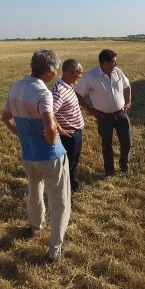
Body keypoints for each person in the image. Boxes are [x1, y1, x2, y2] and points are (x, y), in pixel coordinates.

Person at [1, 49, 72, 262]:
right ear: (50, 71)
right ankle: (55, 249)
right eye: (56, 69)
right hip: (51, 157)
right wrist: (52, 139)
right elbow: (50, 125)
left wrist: (22, 135)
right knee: (59, 201)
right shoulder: (43, 93)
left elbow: (5, 117)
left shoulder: (16, 87)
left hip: (29, 155)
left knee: (34, 192)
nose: (58, 72)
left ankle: (34, 226)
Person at [75, 49, 132, 176]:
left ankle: (124, 164)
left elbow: (127, 86)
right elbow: (77, 94)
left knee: (127, 141)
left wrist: (128, 102)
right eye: (113, 62)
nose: (116, 65)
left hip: (121, 113)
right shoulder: (91, 76)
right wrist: (90, 109)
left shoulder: (117, 72)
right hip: (103, 116)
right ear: (104, 63)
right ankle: (110, 171)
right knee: (107, 144)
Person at [52, 59, 85, 193]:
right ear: (71, 72)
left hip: (76, 133)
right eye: (79, 74)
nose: (80, 77)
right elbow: (49, 113)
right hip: (69, 135)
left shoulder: (69, 86)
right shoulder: (59, 90)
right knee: (68, 165)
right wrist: (61, 130)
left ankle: (74, 187)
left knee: (74, 163)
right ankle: (64, 192)